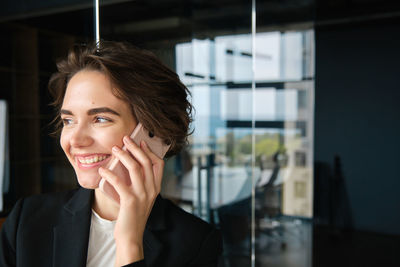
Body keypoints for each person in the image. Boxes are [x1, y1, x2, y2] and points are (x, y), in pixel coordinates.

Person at [0, 41, 222, 267]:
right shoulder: (25, 220)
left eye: (101, 119)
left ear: (153, 131)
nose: (75, 140)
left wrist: (130, 242)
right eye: (69, 120)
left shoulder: (195, 243)